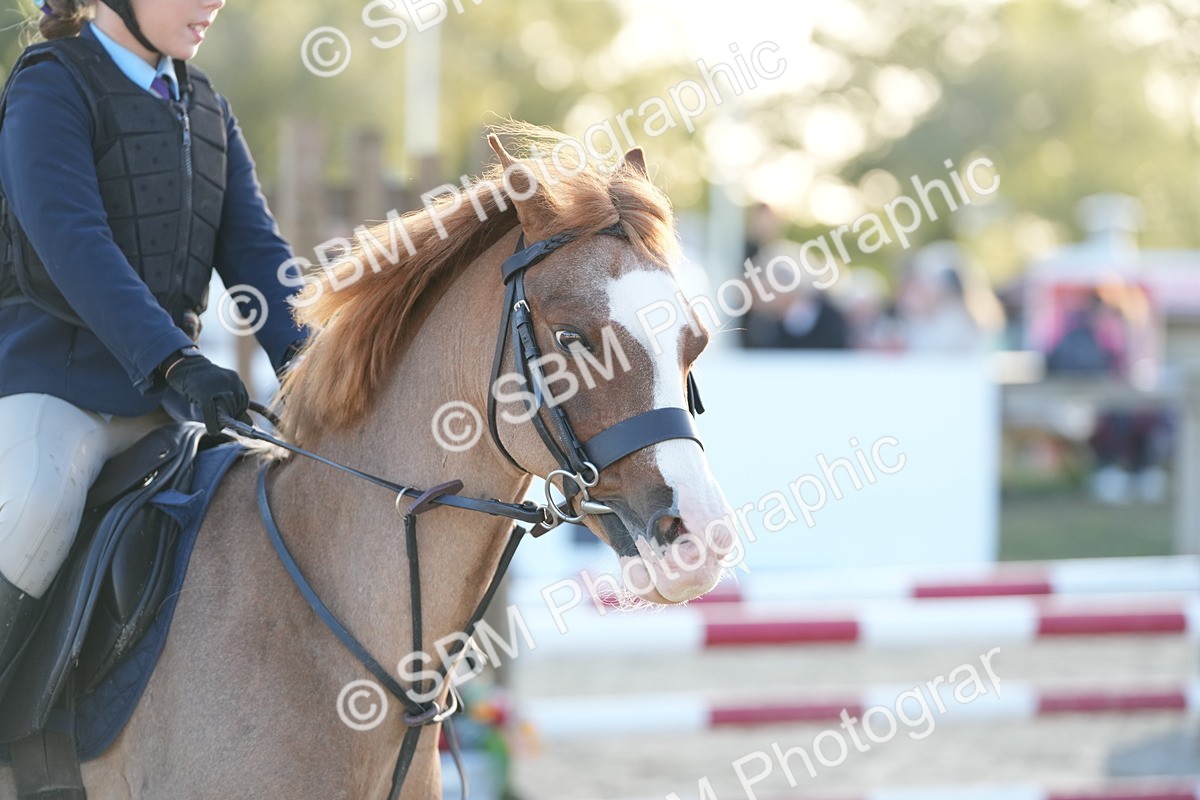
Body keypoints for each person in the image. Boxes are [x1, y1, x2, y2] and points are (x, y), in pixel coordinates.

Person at [0, 0, 306, 693]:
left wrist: (320, 365)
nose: (212, 3)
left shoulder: (206, 106)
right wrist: (174, 358)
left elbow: (258, 255)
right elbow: (73, 241)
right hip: (58, 384)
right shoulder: (50, 84)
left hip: (172, 407)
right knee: (32, 510)